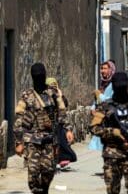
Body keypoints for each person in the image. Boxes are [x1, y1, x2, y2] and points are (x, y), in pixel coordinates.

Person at [14, 63, 74, 194]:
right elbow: (19, 119)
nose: (39, 79)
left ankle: (43, 190)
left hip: (49, 139)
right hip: (32, 140)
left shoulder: (53, 94)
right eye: (37, 77)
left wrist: (68, 129)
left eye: (41, 76)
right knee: (34, 171)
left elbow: (62, 112)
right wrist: (19, 142)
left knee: (48, 171)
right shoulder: (26, 95)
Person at [90, 72, 128, 194]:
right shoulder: (105, 107)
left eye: (123, 86)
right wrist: (112, 132)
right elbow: (94, 127)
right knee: (112, 190)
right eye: (118, 86)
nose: (121, 89)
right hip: (112, 154)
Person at [46, 77, 77, 169]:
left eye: (54, 86)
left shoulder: (59, 96)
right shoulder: (44, 97)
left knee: (61, 141)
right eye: (50, 87)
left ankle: (62, 159)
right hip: (47, 123)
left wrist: (60, 96)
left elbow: (64, 106)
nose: (52, 89)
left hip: (58, 123)